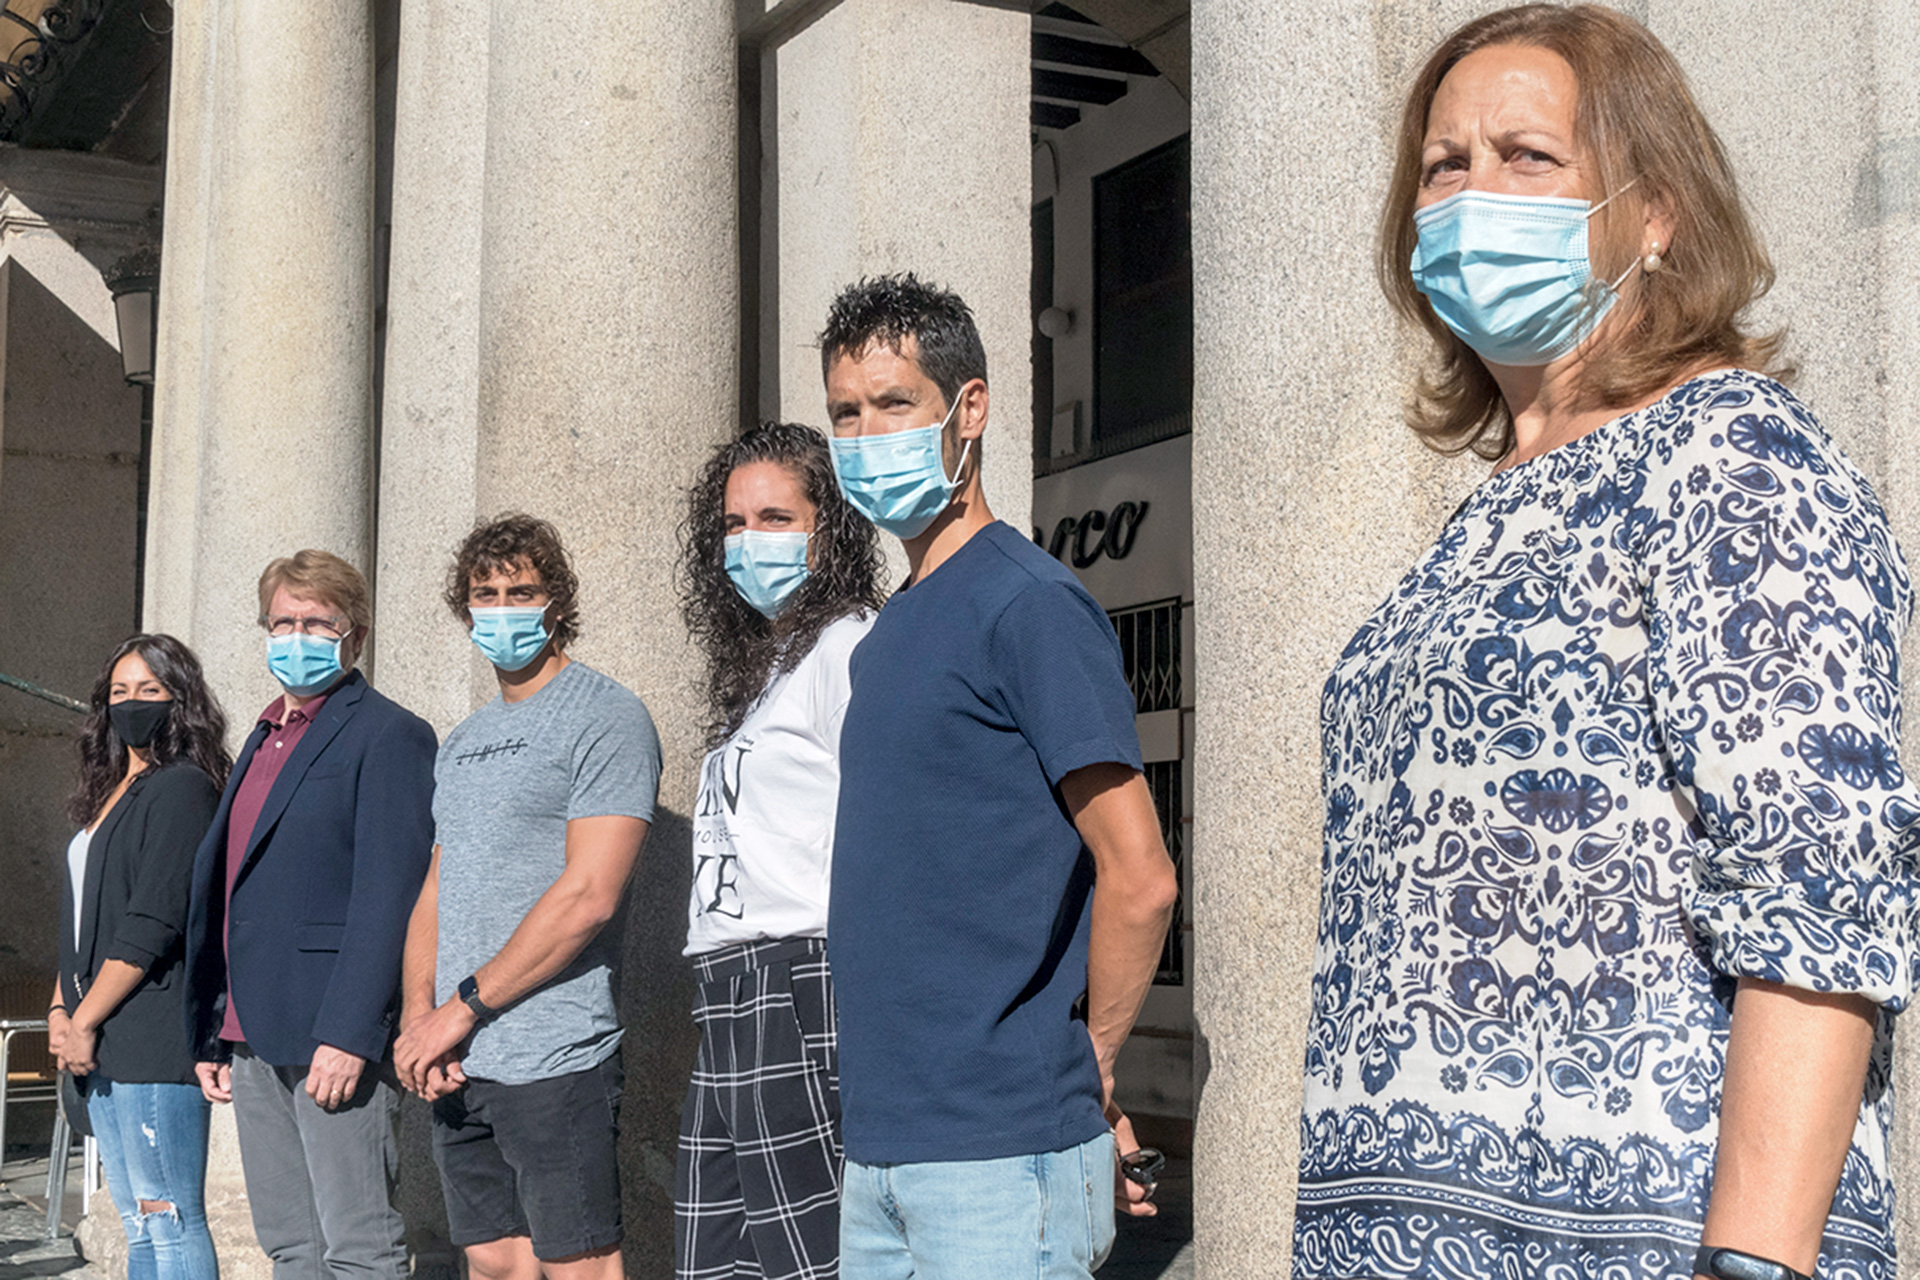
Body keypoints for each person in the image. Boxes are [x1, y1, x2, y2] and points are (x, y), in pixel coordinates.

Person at [1296, 8, 1920, 1280]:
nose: (1472, 192)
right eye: (1443, 165)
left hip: (1638, 1235)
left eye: (1527, 155)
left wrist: (1751, 1258)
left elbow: (1818, 876)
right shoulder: (1488, 515)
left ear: (1655, 213)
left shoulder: (1731, 456)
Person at [818, 273, 1179, 1279]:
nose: (866, 434)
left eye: (895, 403)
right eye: (845, 412)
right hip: (883, 1149)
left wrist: (1091, 1067)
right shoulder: (888, 634)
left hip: (1000, 1157)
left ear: (969, 408)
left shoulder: (1030, 607)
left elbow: (1140, 874)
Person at [394, 513, 661, 1280]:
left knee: (581, 1266)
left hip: (554, 1053)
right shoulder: (462, 741)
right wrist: (418, 1017)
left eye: (522, 592)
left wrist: (459, 1009)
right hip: (458, 1058)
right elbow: (437, 888)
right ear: (465, 608)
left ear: (556, 603)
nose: (503, 609)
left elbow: (589, 895)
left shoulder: (606, 717)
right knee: (493, 1262)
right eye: (486, 594)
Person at [182, 550, 437, 1280]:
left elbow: (389, 893)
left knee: (357, 1247)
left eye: (318, 622)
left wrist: (352, 1032)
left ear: (356, 635)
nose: (297, 637)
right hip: (251, 1033)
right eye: (283, 622)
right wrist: (215, 1026)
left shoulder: (388, 734)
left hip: (331, 1032)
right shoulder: (263, 736)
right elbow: (238, 889)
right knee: (289, 1246)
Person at [670, 422, 886, 1280]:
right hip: (725, 987)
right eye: (733, 523)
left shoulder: (850, 646)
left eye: (774, 519)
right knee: (713, 1257)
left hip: (797, 977)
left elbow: (882, 827)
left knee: (807, 1260)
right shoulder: (767, 667)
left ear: (827, 532)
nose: (748, 541)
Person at [52, 635, 231, 1280]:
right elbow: (82, 923)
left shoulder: (182, 789)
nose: (132, 703)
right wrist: (59, 1010)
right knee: (139, 1225)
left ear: (180, 700)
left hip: (150, 1035)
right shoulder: (108, 794)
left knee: (169, 1218)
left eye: (150, 690)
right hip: (98, 1034)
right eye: (119, 691)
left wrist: (83, 1018)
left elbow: (152, 922)